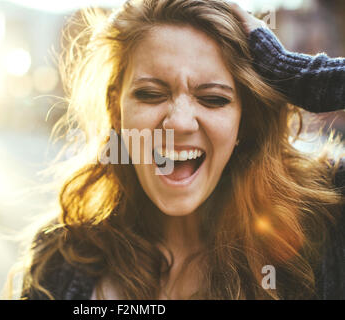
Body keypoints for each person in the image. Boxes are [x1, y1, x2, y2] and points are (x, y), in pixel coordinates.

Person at [17, 0, 345, 300]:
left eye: (214, 98)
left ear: (244, 123)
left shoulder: (325, 225)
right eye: (150, 94)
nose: (180, 123)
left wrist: (299, 76)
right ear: (116, 110)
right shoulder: (61, 257)